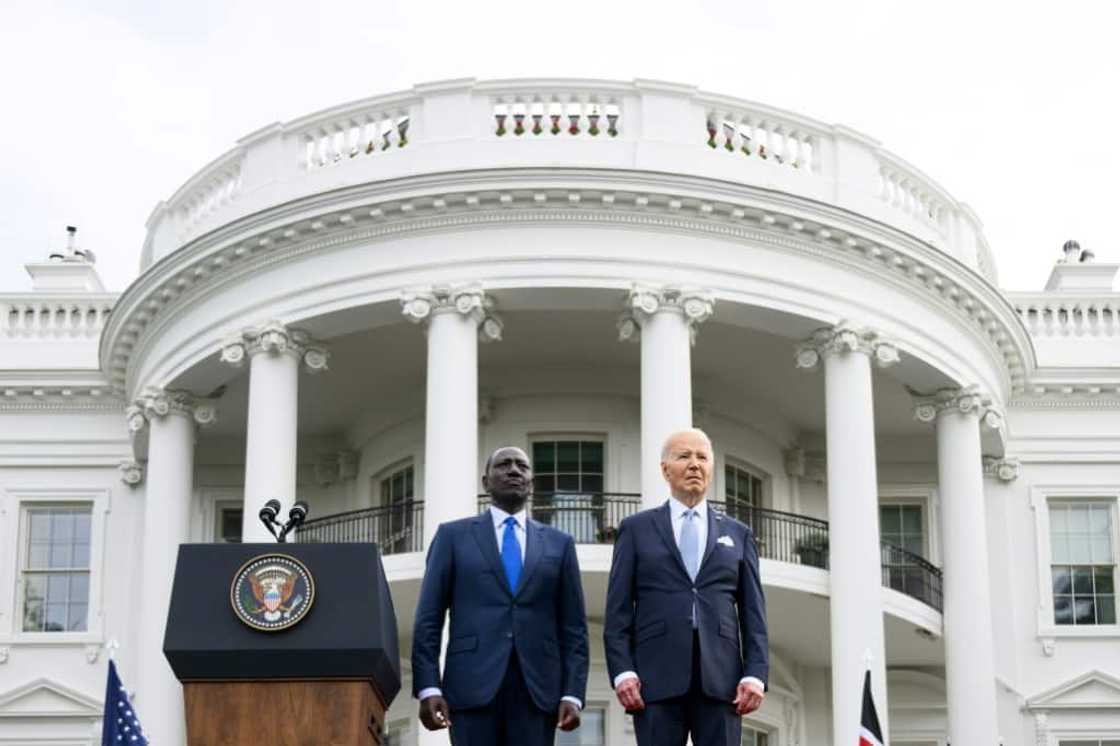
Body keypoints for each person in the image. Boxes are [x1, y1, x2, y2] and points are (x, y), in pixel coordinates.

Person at [411, 446, 589, 746]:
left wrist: (572, 692)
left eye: (522, 466)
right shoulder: (452, 537)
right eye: (504, 465)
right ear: (486, 481)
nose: (514, 470)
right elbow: (428, 617)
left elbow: (574, 628)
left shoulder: (560, 544)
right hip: (470, 687)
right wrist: (429, 687)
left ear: (531, 482)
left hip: (538, 691)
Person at [604, 428, 768, 746]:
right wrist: (622, 671)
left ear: (711, 468)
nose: (694, 464)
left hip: (723, 682)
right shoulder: (636, 530)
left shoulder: (738, 534)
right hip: (654, 680)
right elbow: (617, 611)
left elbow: (754, 615)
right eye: (684, 456)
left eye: (702, 457)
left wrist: (756, 674)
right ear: (666, 469)